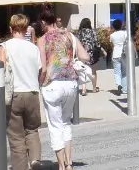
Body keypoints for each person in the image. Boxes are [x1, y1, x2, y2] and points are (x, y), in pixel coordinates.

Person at [38, 9, 90, 170]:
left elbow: (44, 67)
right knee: (66, 123)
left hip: (52, 85)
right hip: (71, 84)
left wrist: (40, 82)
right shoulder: (70, 36)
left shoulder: (42, 40)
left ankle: (61, 165)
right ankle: (69, 163)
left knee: (55, 126)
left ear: (43, 23)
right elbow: (85, 57)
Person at [1, 13, 43, 170]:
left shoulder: (4, 46)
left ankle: (20, 167)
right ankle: (35, 159)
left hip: (14, 94)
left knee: (16, 136)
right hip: (32, 92)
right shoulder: (34, 48)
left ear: (11, 28)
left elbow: (0, 69)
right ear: (26, 29)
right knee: (32, 130)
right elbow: (41, 70)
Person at [75, 18, 101, 95]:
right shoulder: (93, 32)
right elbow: (97, 43)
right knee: (93, 70)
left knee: (83, 70)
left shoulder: (79, 32)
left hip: (82, 53)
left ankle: (83, 90)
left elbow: (76, 42)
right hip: (91, 53)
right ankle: (94, 88)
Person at [109, 19, 129, 95]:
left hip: (115, 54)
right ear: (121, 25)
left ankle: (119, 84)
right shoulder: (125, 33)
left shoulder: (112, 35)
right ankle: (125, 89)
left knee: (117, 72)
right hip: (124, 54)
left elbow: (112, 45)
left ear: (113, 26)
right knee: (124, 72)